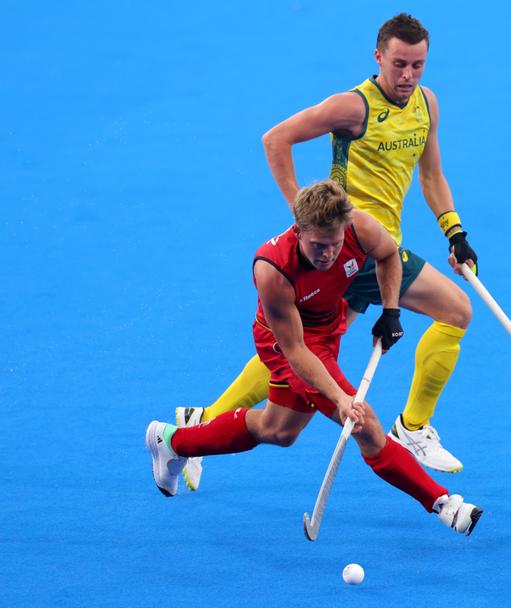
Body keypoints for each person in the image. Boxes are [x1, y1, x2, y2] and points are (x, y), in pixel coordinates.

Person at [176, 13, 478, 492]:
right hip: (345, 248)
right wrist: (306, 217)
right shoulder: (352, 107)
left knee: (313, 348)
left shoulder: (426, 105)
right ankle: (411, 429)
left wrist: (454, 231)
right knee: (444, 314)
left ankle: (204, 419)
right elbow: (276, 138)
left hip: (381, 248)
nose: (407, 76)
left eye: (417, 65)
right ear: (378, 57)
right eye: (398, 64)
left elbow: (431, 176)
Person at [147, 181, 483, 536]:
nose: (327, 254)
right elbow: (296, 351)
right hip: (288, 344)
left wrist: (391, 311)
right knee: (363, 423)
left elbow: (387, 256)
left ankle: (171, 442)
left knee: (279, 431)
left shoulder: (360, 227)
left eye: (334, 244)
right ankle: (445, 505)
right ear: (298, 231)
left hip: (327, 330)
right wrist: (341, 399)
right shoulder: (272, 269)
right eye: (318, 246)